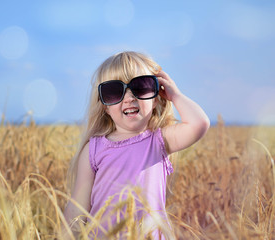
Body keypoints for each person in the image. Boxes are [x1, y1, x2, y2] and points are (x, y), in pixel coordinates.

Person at [63, 51, 210, 239]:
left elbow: (199, 124)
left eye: (141, 87)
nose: (129, 97)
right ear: (104, 106)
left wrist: (176, 95)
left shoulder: (158, 141)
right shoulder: (93, 149)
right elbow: (78, 206)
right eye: (114, 91)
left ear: (157, 97)